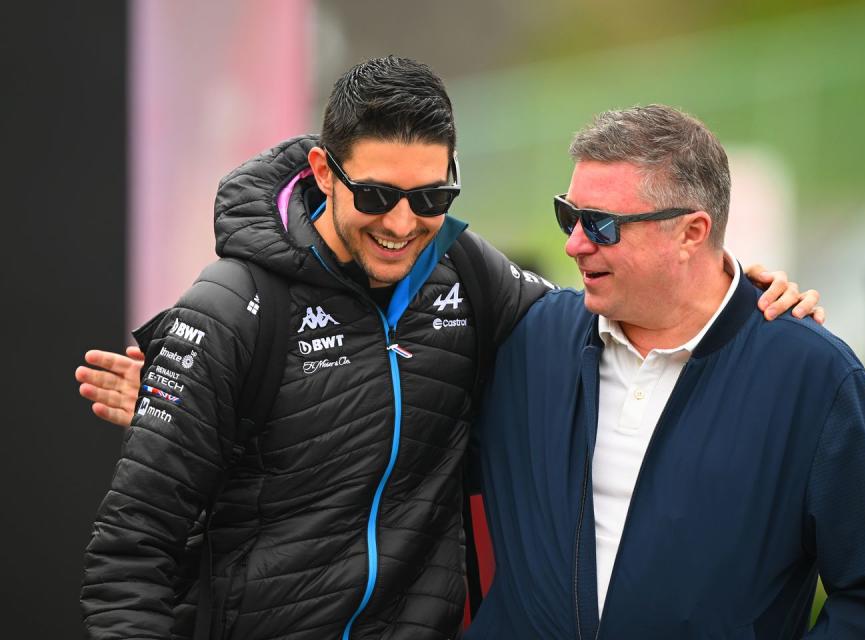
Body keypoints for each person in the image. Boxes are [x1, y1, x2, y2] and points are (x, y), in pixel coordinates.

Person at [78, 58, 822, 639]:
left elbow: (612, 318)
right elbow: (128, 556)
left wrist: (735, 294)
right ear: (321, 174)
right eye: (376, 196)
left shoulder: (468, 275)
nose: (403, 223)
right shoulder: (233, 305)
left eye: (432, 198)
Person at [464, 104, 865, 639]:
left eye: (602, 225)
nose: (574, 243)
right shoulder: (527, 341)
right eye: (569, 216)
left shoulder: (814, 377)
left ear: (691, 232)